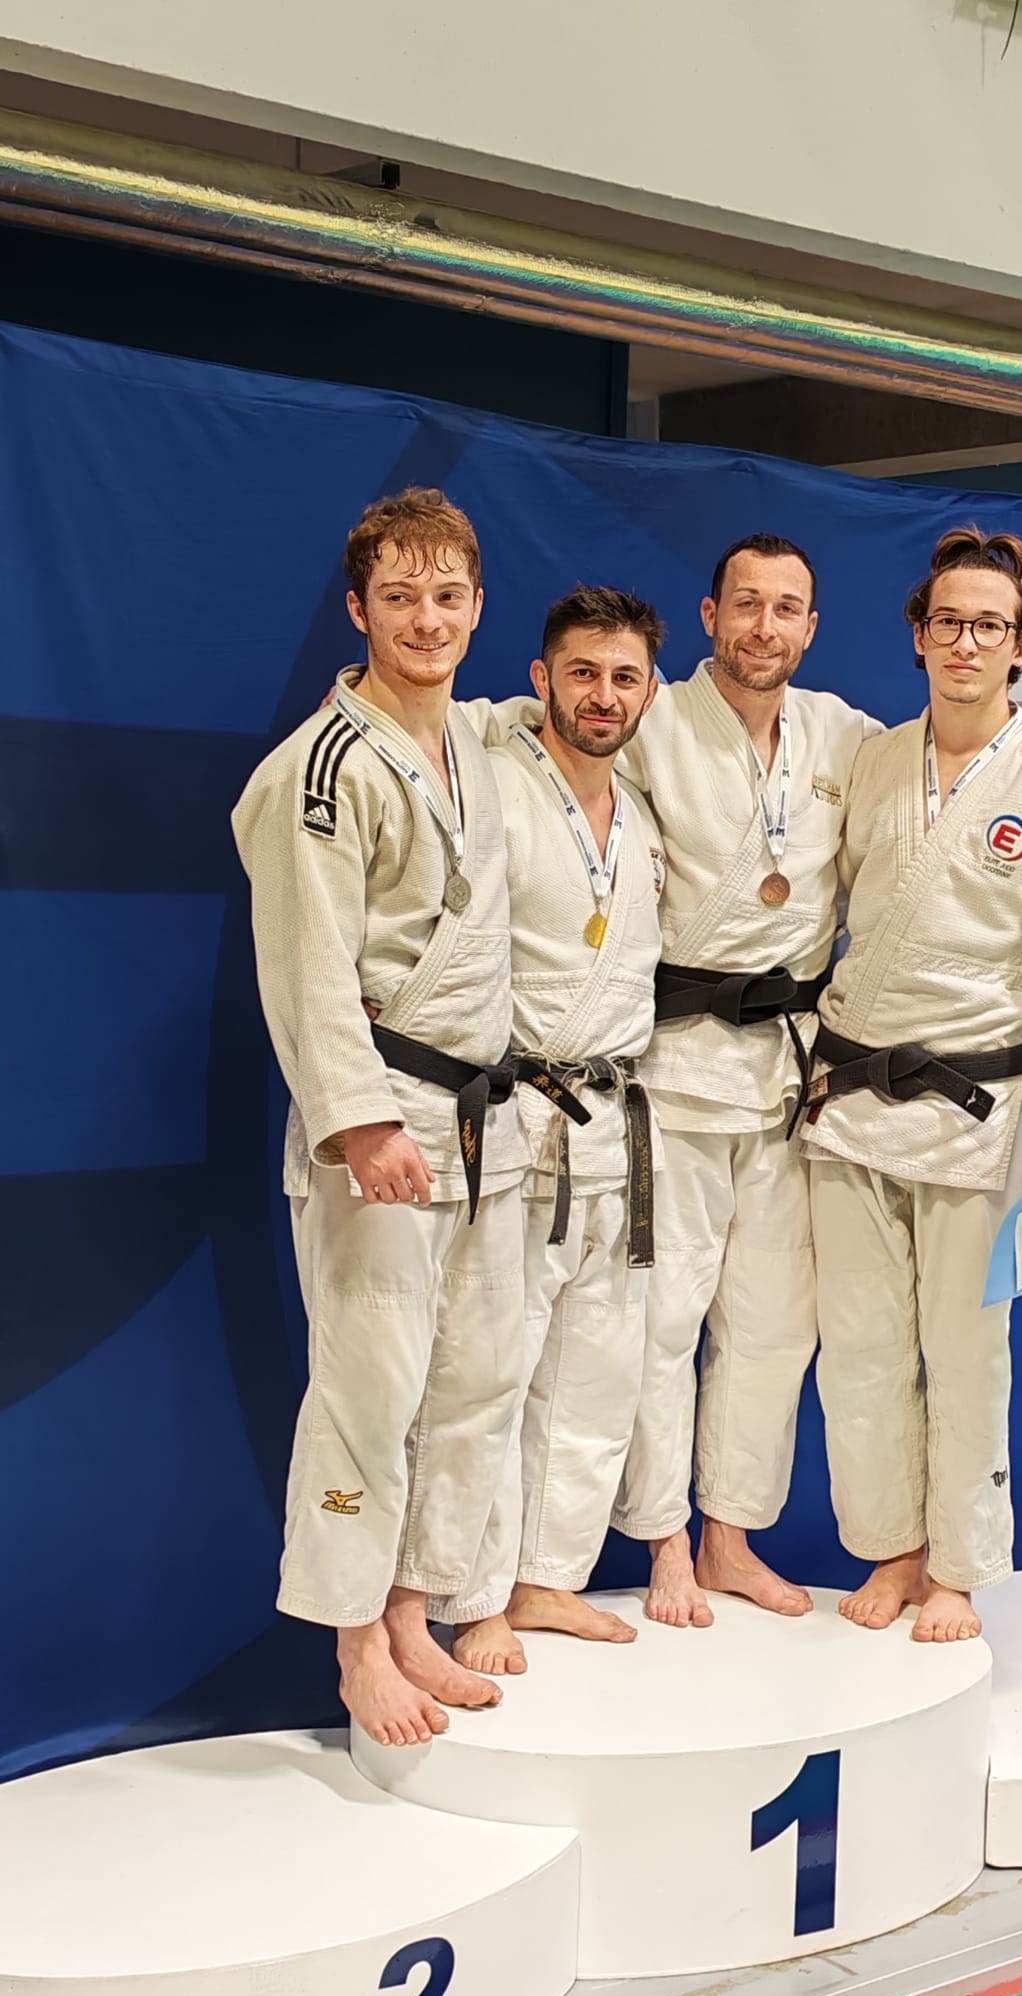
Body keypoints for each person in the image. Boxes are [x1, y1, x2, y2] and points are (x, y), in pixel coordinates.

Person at [468, 535, 877, 1626]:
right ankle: (663, 1544)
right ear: (710, 617)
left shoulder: (843, 735)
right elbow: (529, 730)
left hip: (791, 1075)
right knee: (659, 1320)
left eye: (786, 608)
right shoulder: (652, 716)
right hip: (677, 1069)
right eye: (746, 604)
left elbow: (923, 784)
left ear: (811, 627)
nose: (764, 627)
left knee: (775, 1324)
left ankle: (730, 1536)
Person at [801, 526, 1022, 1644]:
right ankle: (892, 1546)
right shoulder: (873, 762)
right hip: (850, 1092)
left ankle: (959, 1563)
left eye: (989, 625)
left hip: (975, 1102)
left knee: (964, 1349)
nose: (966, 641)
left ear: (1019, 648)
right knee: (859, 1346)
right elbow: (813, 913)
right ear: (918, 634)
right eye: (948, 621)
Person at [232, 488, 527, 1745]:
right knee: (368, 1384)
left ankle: (412, 1612)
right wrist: (358, 1123)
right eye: (400, 597)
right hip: (386, 1115)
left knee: (468, 1381)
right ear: (358, 608)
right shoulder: (322, 769)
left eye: (448, 596)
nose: (427, 619)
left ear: (478, 605)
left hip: (478, 1115)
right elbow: (308, 967)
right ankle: (356, 1646)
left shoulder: (477, 744)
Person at [438, 586, 668, 1676]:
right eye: (582, 672)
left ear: (651, 691)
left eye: (625, 676)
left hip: (617, 1119)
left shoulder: (647, 814)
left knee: (595, 1370)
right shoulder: (491, 778)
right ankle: (474, 1595)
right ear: (540, 679)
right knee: (491, 1369)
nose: (602, 695)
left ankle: (546, 1576)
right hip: (521, 1116)